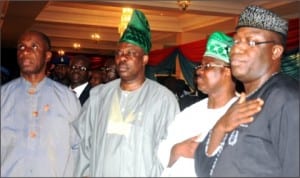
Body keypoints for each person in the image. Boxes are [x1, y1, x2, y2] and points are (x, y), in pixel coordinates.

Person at [72, 9, 179, 177]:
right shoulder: (99, 96)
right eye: (119, 53)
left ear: (144, 59)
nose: (122, 58)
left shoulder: (164, 100)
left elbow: (169, 153)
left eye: (130, 53)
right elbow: (82, 142)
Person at [195, 5, 299, 177]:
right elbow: (202, 168)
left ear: (275, 51)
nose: (236, 49)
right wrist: (220, 127)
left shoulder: (286, 98)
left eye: (251, 42)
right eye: (236, 41)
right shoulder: (241, 101)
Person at [1, 30, 81, 177]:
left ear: (47, 56)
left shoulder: (67, 98)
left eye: (34, 46)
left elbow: (79, 147)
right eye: (21, 47)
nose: (26, 51)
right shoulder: (3, 97)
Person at [157, 31, 238, 177]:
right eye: (200, 65)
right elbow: (162, 154)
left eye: (207, 65)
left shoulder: (241, 113)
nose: (199, 71)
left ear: (227, 71)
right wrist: (178, 150)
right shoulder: (189, 113)